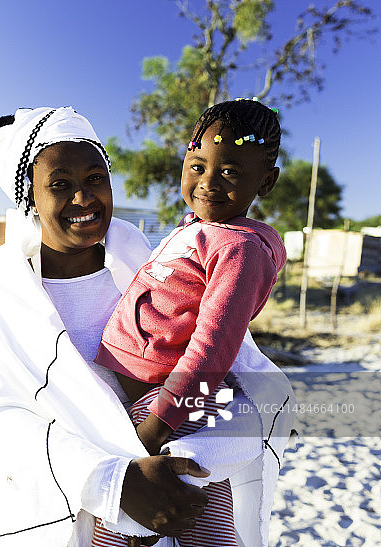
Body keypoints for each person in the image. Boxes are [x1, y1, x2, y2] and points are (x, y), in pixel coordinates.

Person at [0, 106, 295, 547]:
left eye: (94, 179)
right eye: (60, 185)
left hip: (179, 496)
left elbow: (236, 382)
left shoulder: (152, 265)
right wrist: (117, 484)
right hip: (75, 517)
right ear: (30, 197)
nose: (82, 198)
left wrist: (181, 456)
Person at [93, 99, 286, 546]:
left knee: (127, 525)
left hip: (175, 409)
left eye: (231, 171)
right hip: (160, 404)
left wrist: (156, 427)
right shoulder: (194, 229)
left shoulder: (241, 250)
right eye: (198, 165)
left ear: (267, 180)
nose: (208, 183)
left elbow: (212, 349)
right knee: (191, 520)